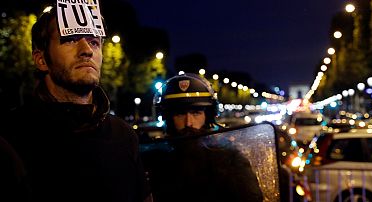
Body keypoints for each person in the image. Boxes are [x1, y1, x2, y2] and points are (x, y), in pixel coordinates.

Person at [0, 3, 152, 202]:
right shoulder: (9, 137)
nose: (86, 50)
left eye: (94, 42)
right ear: (41, 59)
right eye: (70, 40)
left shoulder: (125, 136)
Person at [140, 73, 263, 202]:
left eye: (196, 113)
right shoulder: (154, 160)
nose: (188, 123)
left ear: (208, 116)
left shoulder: (229, 159)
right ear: (169, 118)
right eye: (180, 114)